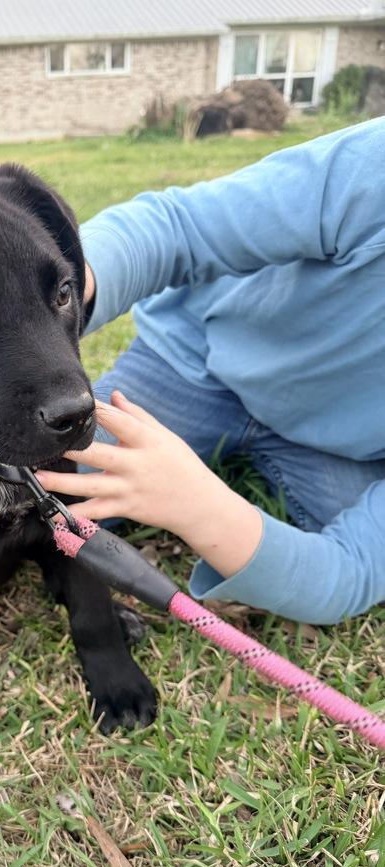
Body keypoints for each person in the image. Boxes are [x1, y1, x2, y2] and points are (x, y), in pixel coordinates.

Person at [37, 118, 385, 626]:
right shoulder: (373, 169)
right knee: (28, 491)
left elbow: (345, 576)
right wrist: (54, 296)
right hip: (197, 363)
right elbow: (180, 228)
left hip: (339, 452)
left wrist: (192, 503)